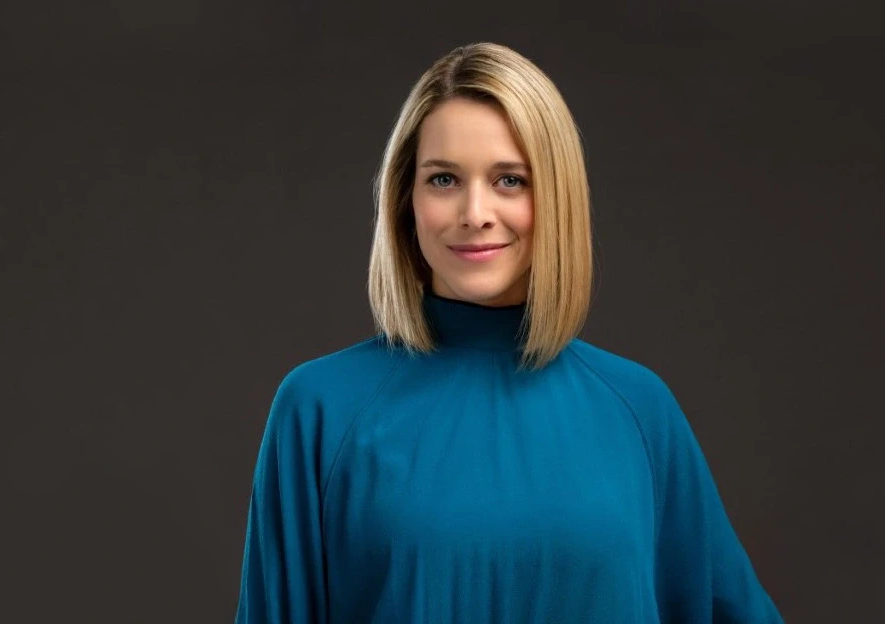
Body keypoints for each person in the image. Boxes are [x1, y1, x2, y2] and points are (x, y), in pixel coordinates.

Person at [234, 42, 783, 623]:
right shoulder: (320, 409)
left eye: (510, 180)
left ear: (556, 198)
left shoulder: (641, 410)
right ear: (405, 201)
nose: (475, 213)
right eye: (443, 179)